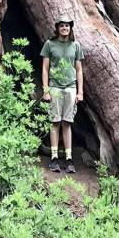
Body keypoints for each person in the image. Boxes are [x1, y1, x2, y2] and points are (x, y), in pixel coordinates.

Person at [40, 14, 83, 173]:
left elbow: (79, 70)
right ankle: (54, 157)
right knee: (55, 122)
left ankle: (69, 159)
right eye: (61, 26)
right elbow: (45, 68)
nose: (64, 28)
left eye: (67, 25)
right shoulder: (50, 44)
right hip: (55, 88)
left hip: (71, 88)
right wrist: (45, 90)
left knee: (67, 123)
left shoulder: (76, 46)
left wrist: (80, 92)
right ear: (57, 28)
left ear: (70, 28)